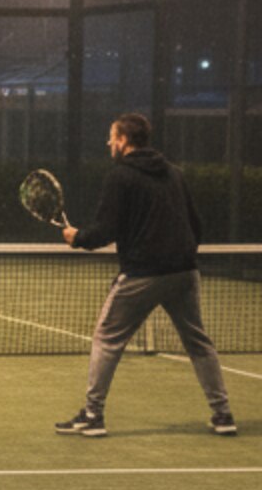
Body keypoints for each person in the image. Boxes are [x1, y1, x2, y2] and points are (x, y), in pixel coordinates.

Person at [56, 112, 236, 439]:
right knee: (198, 343)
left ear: (124, 141)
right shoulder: (175, 173)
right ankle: (223, 415)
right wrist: (182, 255)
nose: (109, 142)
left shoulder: (120, 177)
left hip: (142, 273)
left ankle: (93, 416)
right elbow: (196, 224)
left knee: (107, 340)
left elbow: (106, 229)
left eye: (112, 137)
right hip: (184, 271)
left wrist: (77, 238)